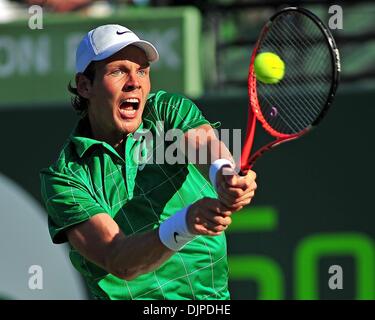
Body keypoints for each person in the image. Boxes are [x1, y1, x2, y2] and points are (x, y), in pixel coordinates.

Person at [40, 24, 257, 300]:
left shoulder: (166, 111)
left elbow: (204, 144)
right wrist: (186, 223)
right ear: (85, 86)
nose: (135, 82)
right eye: (118, 71)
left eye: (142, 70)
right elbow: (118, 259)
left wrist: (224, 175)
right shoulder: (65, 178)